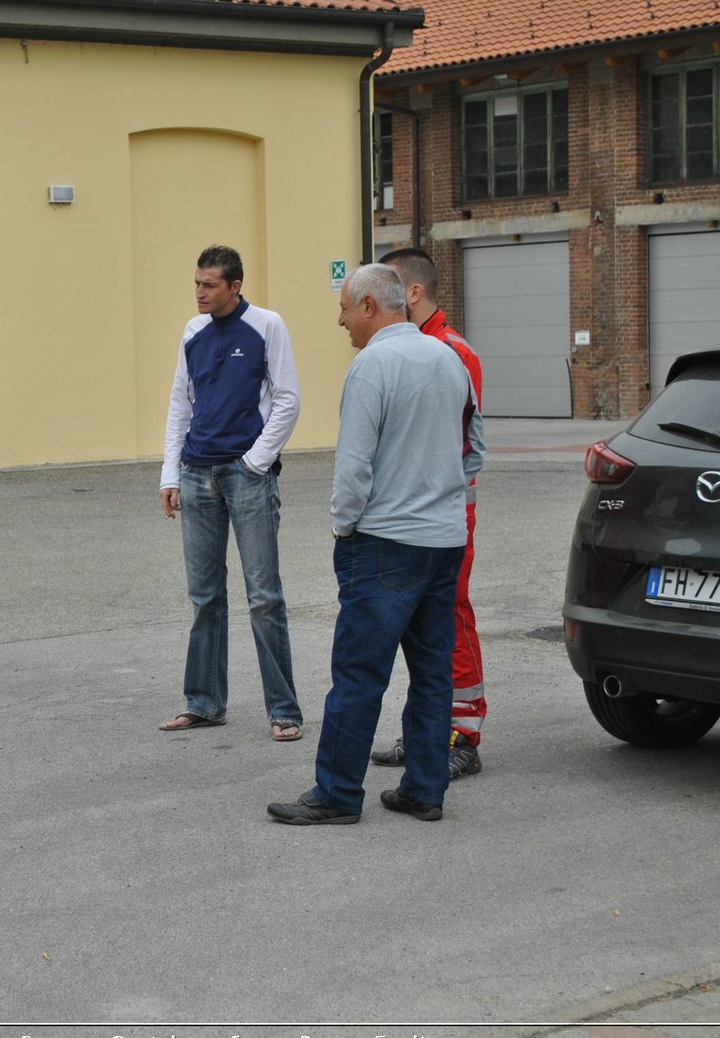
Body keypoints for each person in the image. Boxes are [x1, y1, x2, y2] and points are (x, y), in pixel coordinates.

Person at [268, 264, 483, 825]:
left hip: (385, 542)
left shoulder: (371, 368)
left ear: (369, 306)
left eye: (343, 307)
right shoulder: (449, 360)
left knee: (360, 673)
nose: (339, 320)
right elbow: (475, 450)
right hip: (444, 540)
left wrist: (345, 529)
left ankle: (337, 794)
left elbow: (354, 469)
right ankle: (425, 789)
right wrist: (440, 497)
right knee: (434, 672)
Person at [158, 244, 304, 741]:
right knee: (204, 597)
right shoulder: (192, 331)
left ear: (235, 286)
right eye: (196, 283)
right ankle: (203, 703)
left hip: (247, 476)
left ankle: (284, 710)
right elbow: (181, 402)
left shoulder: (267, 325)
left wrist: (255, 462)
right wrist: (170, 475)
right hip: (197, 473)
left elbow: (287, 399)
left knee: (264, 596)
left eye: (210, 284)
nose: (199, 292)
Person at [374, 247, 487, 780]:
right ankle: (425, 731)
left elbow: (460, 444)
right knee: (417, 626)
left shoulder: (451, 352)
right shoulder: (416, 347)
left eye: (390, 284)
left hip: (445, 511)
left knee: (450, 617)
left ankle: (462, 734)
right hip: (416, 512)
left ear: (413, 292)